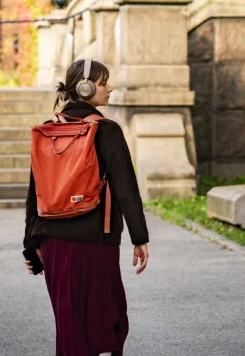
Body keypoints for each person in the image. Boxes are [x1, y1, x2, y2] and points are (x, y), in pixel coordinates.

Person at [23, 59, 150, 356]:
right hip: (96, 240)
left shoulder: (48, 131)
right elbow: (125, 189)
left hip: (53, 242)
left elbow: (35, 193)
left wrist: (32, 244)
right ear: (86, 86)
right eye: (104, 83)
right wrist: (139, 238)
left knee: (70, 326)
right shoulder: (107, 130)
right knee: (108, 320)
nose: (110, 88)